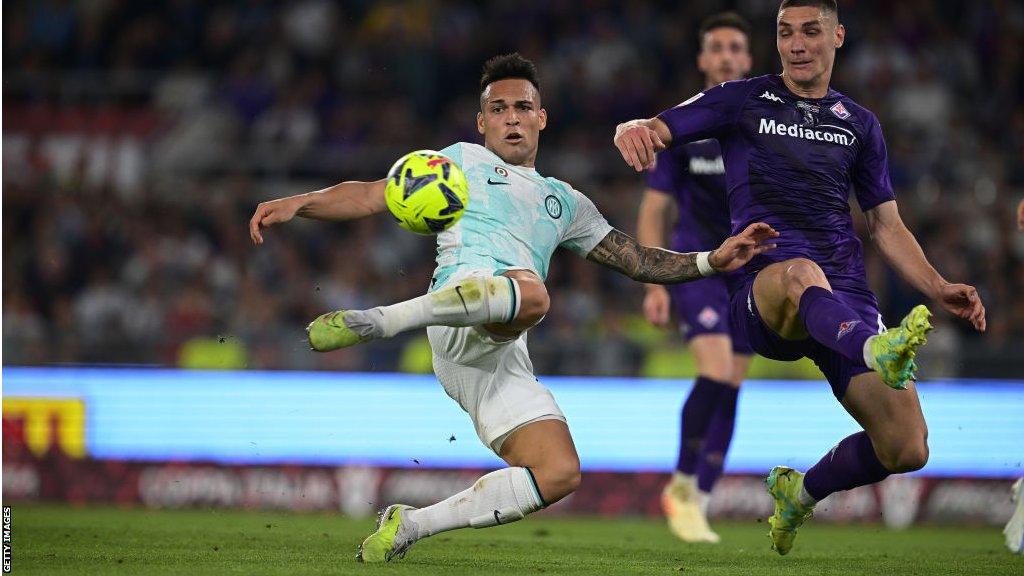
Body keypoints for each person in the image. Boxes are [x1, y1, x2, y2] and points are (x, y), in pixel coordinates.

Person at [249, 53, 778, 563]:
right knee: (533, 292)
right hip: (458, 305)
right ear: (481, 122)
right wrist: (300, 202)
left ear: (541, 117)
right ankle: (382, 321)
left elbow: (637, 259)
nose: (511, 119)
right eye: (498, 110)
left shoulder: (565, 202)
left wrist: (712, 259)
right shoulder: (458, 161)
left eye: (522, 107)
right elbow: (370, 194)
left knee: (558, 472)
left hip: (495, 353)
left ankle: (410, 523)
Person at [613, 0, 986, 556]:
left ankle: (799, 492)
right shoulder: (743, 98)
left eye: (811, 32)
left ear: (838, 36)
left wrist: (937, 287)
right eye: (786, 33)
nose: (796, 44)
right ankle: (874, 349)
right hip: (766, 288)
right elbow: (659, 126)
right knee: (799, 274)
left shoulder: (859, 124)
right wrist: (631, 130)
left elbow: (887, 226)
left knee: (907, 449)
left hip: (844, 299)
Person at [636, 11, 754, 544]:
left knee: (732, 383)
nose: (727, 55)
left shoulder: (763, 124)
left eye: (736, 47)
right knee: (715, 369)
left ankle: (699, 500)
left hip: (752, 272)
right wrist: (655, 281)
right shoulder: (682, 126)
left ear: (748, 60)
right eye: (718, 47)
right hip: (698, 265)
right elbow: (654, 208)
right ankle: (682, 485)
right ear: (703, 59)